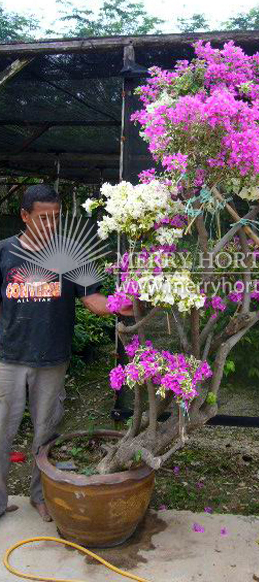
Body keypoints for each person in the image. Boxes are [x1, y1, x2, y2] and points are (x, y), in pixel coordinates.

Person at [0, 184, 132, 521]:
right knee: (2, 431)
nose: (50, 225)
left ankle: (41, 496)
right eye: (43, 218)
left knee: (46, 433)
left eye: (56, 218)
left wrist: (124, 305)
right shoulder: (4, 252)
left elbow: (92, 300)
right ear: (25, 216)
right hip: (8, 358)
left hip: (52, 358)